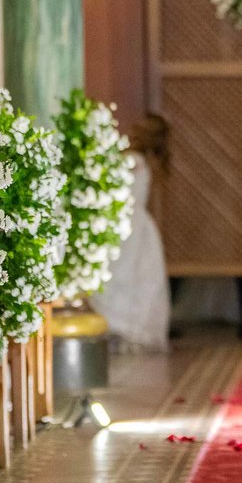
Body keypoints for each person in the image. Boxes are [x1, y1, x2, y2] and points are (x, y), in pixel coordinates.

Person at [90, 114, 172, 351]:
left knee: (122, 274)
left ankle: (118, 326)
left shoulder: (131, 160)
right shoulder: (144, 161)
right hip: (138, 226)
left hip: (124, 226)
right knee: (134, 276)